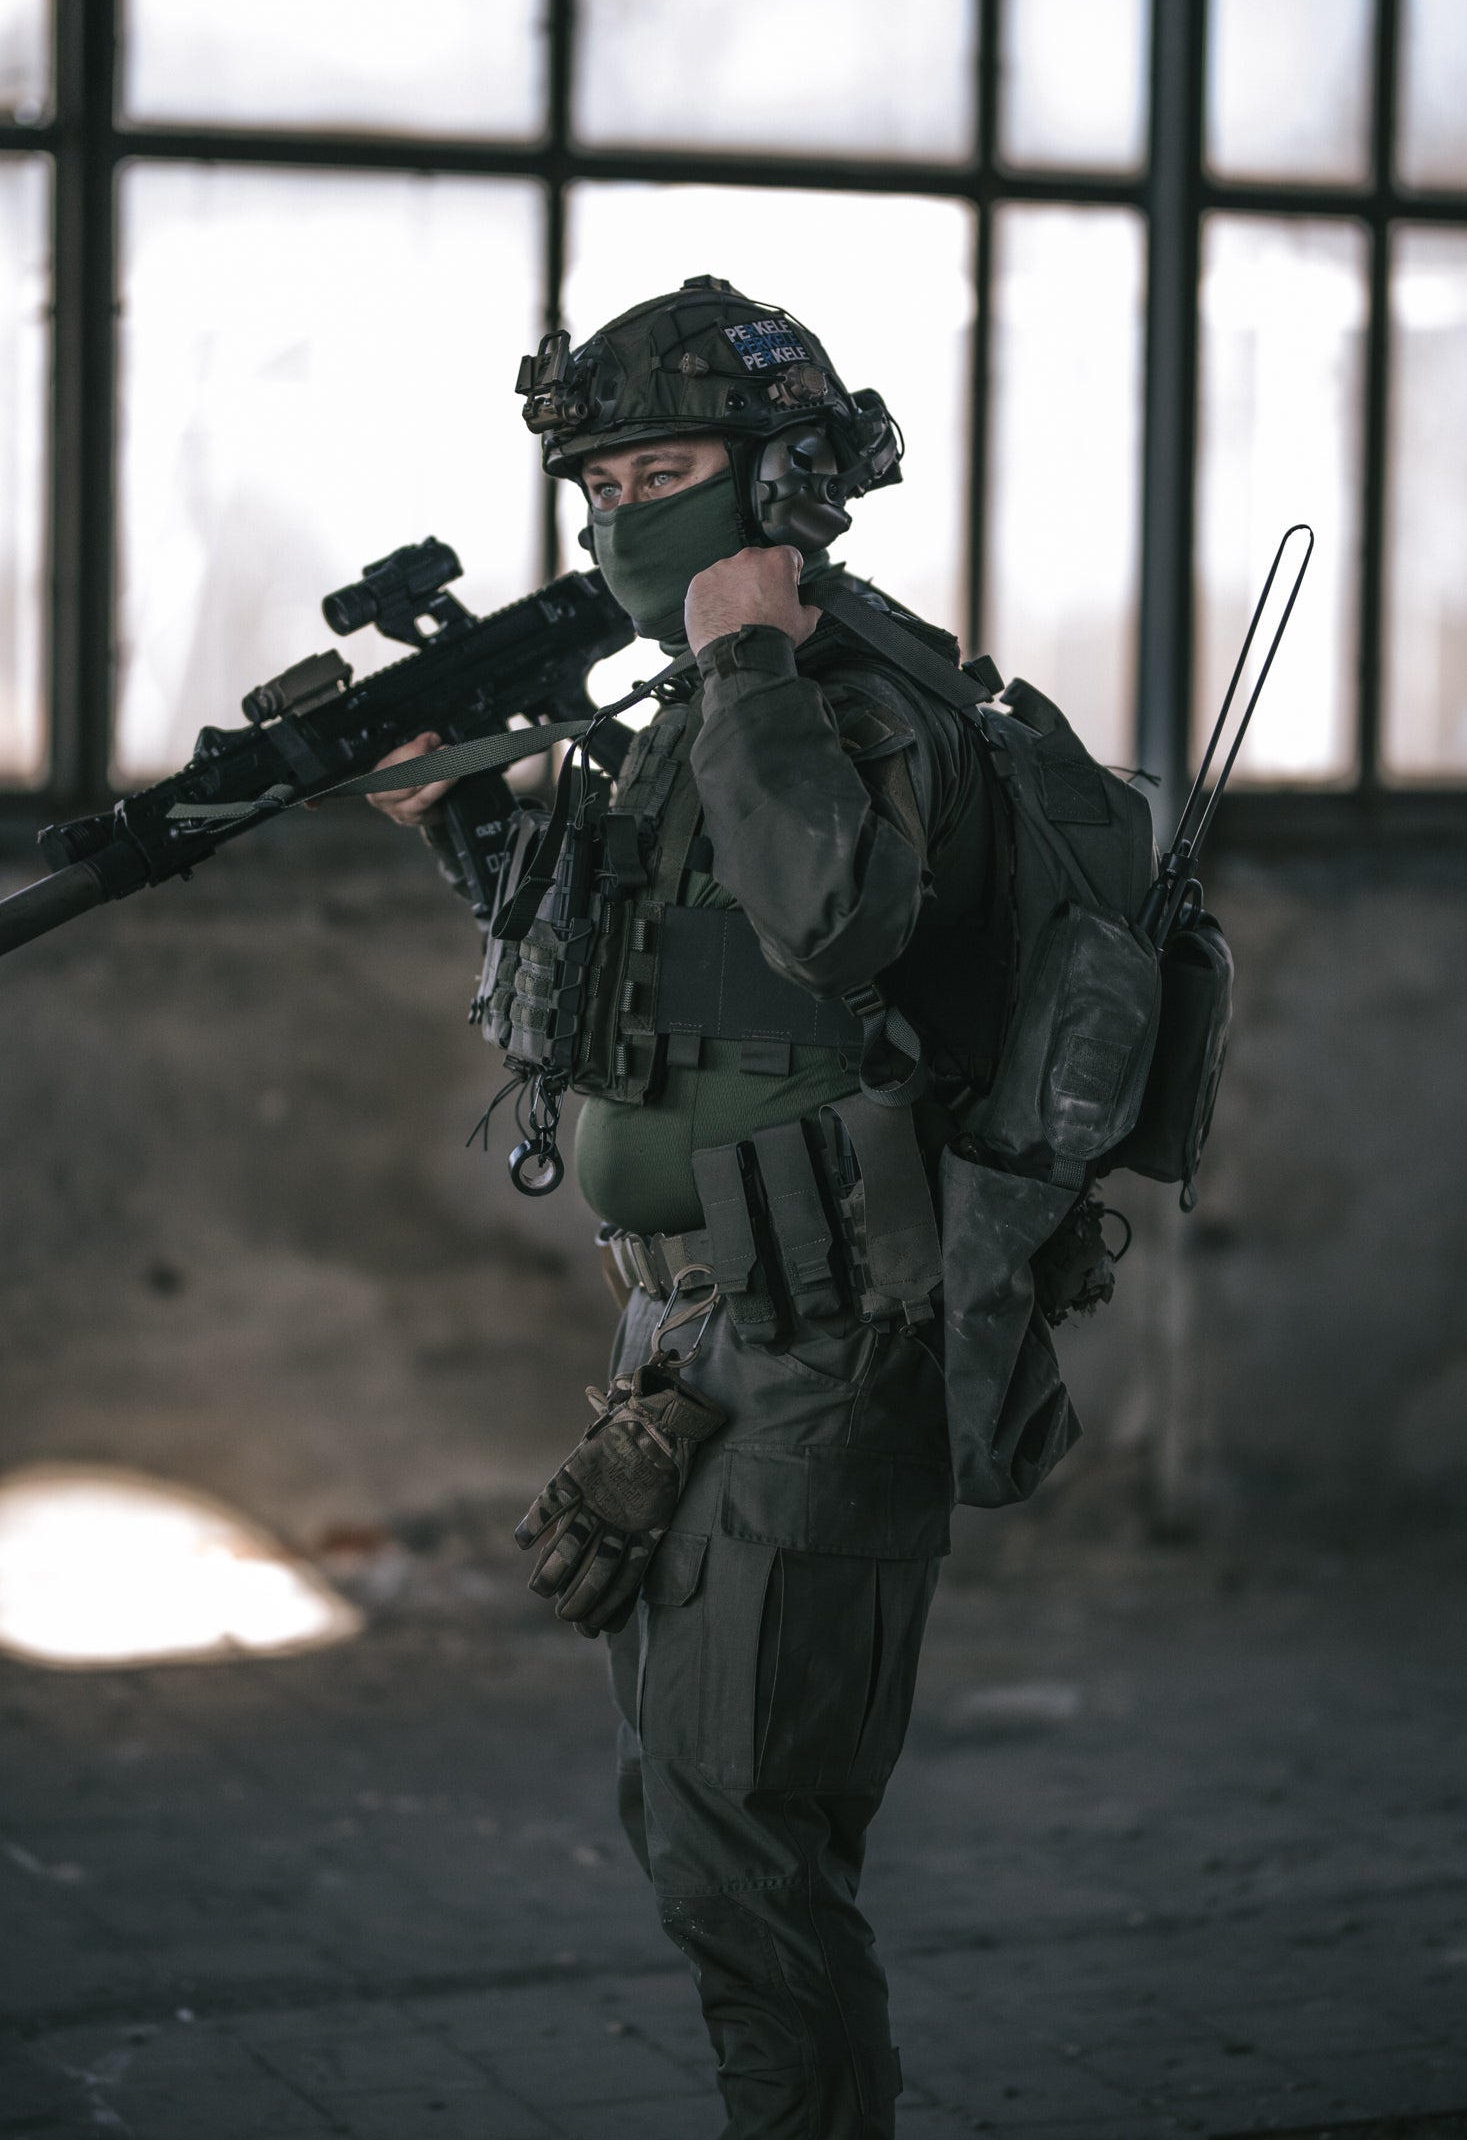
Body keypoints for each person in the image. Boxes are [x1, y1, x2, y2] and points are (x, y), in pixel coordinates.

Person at [366, 276, 1060, 2138]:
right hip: (683, 1334)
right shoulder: (690, 721)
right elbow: (650, 995)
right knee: (698, 1819)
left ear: (786, 481)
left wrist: (749, 664)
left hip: (821, 1340)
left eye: (659, 471)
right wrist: (476, 836)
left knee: (748, 1843)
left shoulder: (849, 697)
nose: (619, 519)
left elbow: (838, 920)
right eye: (592, 487)